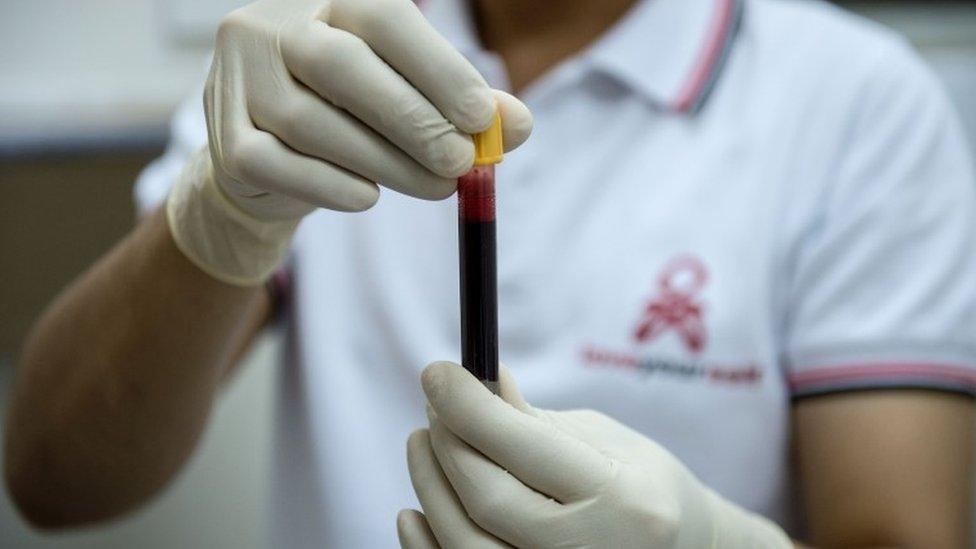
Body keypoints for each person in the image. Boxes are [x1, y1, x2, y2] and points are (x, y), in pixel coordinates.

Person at [4, 0, 975, 546]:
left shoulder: (855, 100)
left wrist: (709, 545)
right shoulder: (318, 52)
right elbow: (53, 479)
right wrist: (212, 222)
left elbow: (899, 527)